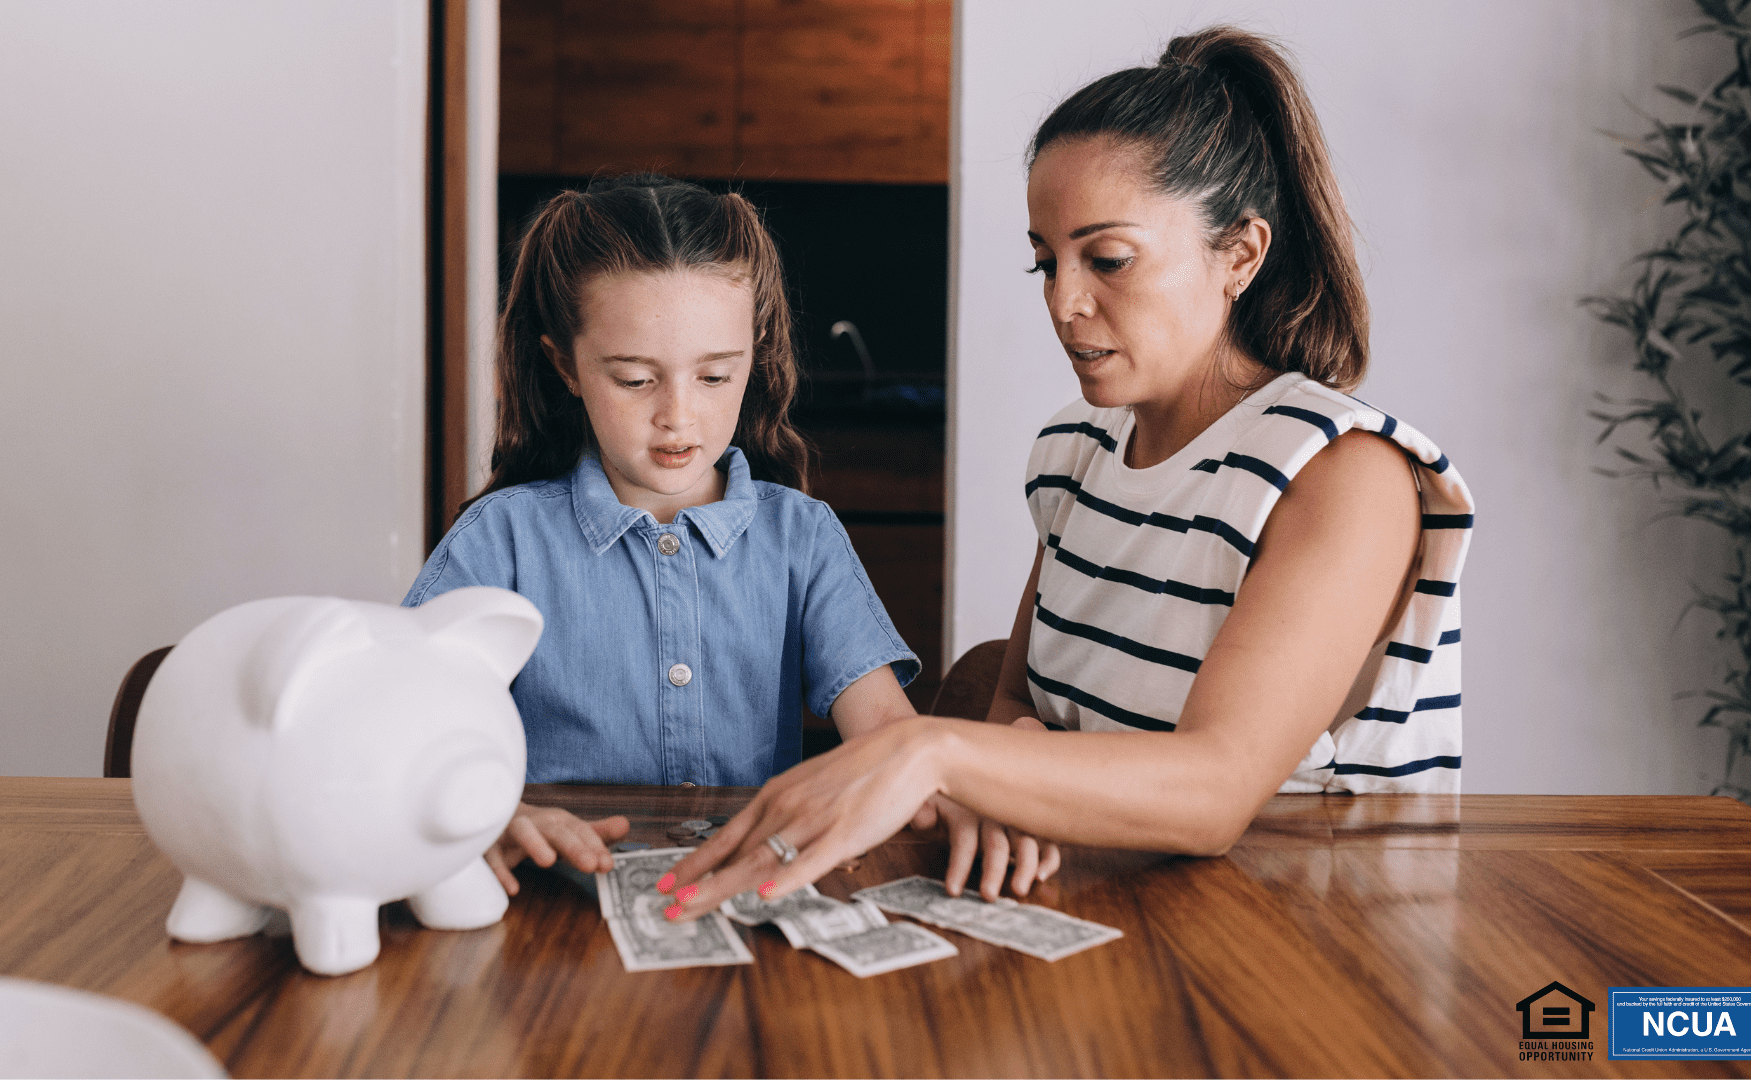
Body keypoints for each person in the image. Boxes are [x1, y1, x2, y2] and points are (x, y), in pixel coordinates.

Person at [662, 26, 1474, 920]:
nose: (1064, 302)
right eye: (1046, 261)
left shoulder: (1341, 471)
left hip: (1304, 946)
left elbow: (1213, 792)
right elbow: (1022, 697)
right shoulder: (1076, 451)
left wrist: (930, 752)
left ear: (1240, 254)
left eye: (1109, 259)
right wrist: (996, 770)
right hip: (1121, 914)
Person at [403, 174, 933, 893]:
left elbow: (890, 742)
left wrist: (945, 792)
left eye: (715, 377)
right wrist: (493, 813)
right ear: (566, 365)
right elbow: (398, 723)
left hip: (740, 895)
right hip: (542, 907)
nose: (678, 418)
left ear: (756, 356)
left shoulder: (801, 537)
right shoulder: (503, 538)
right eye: (633, 380)